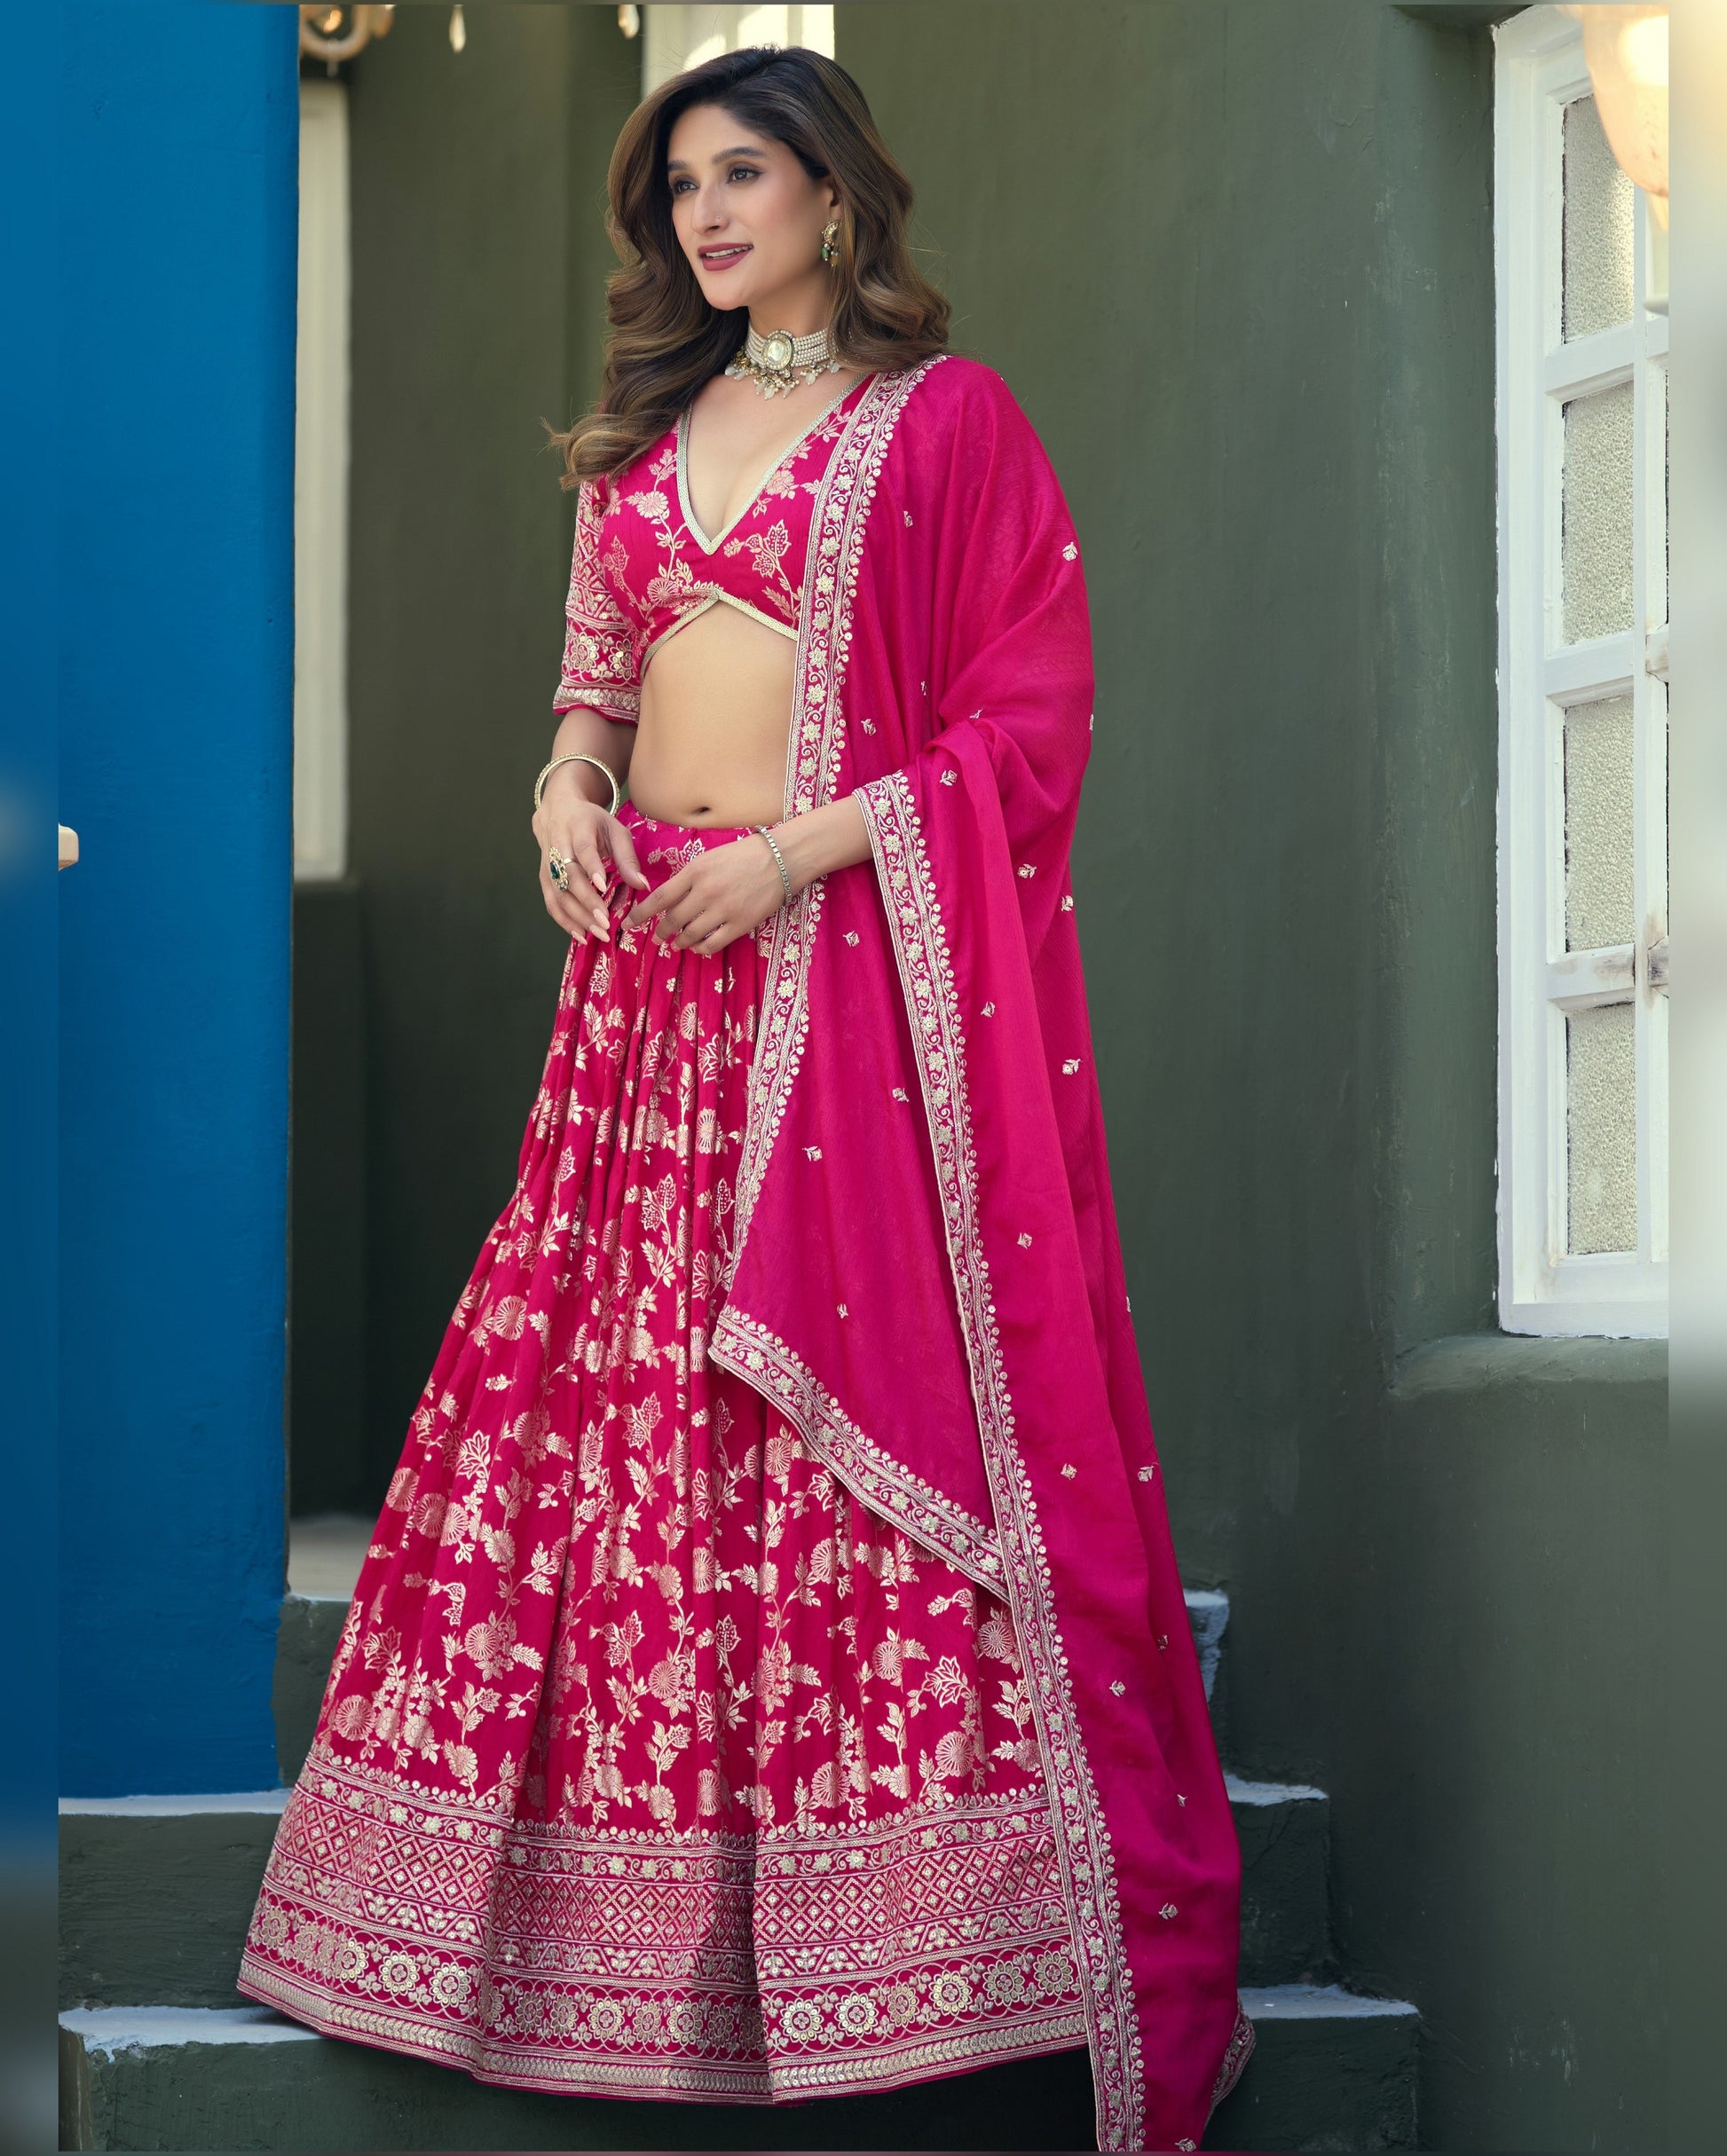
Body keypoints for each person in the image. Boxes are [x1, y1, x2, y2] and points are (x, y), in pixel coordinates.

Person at [238, 44, 1250, 2152]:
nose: (707, 215)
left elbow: (1024, 729)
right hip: (642, 1012)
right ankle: (581, 1937)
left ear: (836, 193)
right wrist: (561, 800)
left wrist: (788, 859)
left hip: (827, 991)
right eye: (680, 185)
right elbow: (592, 690)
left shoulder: (940, 427)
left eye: (745, 175)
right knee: (607, 1428)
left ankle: (917, 1945)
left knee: (806, 1417)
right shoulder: (646, 439)